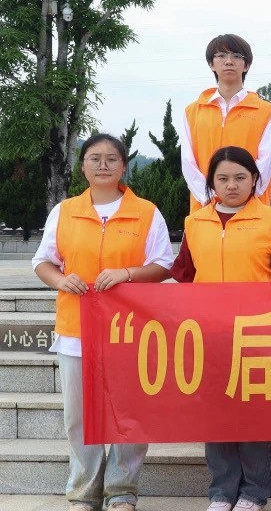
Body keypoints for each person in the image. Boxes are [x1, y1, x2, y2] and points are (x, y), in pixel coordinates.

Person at [32, 134, 174, 511]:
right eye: (94, 158)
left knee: (130, 413)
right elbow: (42, 261)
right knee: (79, 417)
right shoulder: (64, 212)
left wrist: (128, 273)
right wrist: (61, 280)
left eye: (112, 158)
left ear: (124, 166)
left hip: (131, 331)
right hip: (76, 330)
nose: (103, 165)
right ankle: (84, 492)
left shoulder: (146, 212)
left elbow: (164, 264)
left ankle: (122, 491)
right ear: (82, 166)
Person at [171, 146, 271, 511]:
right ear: (211, 183)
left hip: (259, 335)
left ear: (255, 180)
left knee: (256, 415)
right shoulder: (195, 223)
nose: (232, 185)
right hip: (211, 335)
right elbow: (184, 275)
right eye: (223, 178)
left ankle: (254, 493)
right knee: (217, 414)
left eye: (240, 177)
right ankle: (222, 491)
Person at [181, 34, 271, 214]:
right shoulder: (192, 111)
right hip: (205, 208)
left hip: (252, 209)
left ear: (246, 65)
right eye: (221, 55)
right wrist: (209, 195)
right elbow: (188, 162)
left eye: (236, 56)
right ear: (211, 64)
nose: (228, 61)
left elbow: (267, 163)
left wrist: (243, 196)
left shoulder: (266, 111)